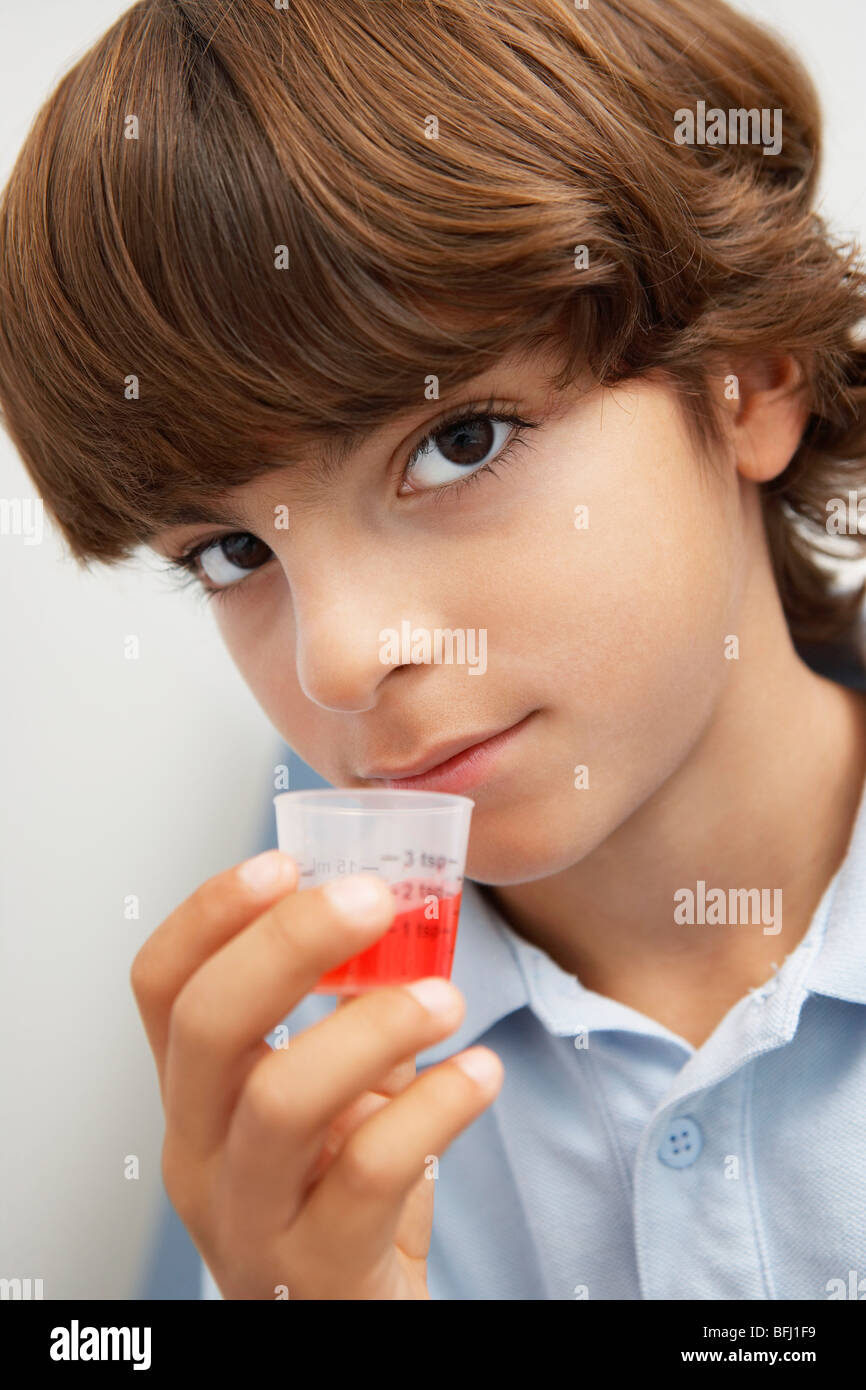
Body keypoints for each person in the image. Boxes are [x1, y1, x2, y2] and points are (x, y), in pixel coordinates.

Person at [2, 0, 866, 1301]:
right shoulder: (288, 1079)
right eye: (232, 554)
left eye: (457, 442)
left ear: (748, 372)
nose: (340, 658)